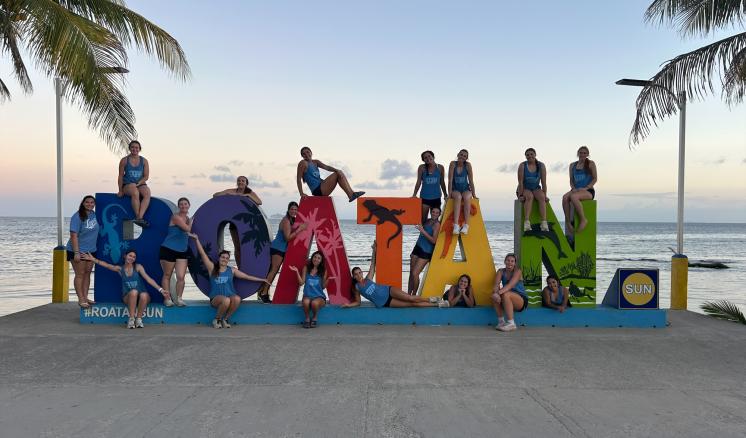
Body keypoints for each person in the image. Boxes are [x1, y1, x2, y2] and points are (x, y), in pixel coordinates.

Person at [190, 233, 269, 328]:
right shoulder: (212, 268)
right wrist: (196, 239)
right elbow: (202, 254)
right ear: (219, 258)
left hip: (229, 297)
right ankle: (217, 320)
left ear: (228, 260)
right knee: (226, 300)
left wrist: (262, 279)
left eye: (227, 258)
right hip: (216, 298)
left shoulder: (231, 270)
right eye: (223, 257)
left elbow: (246, 276)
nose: (224, 259)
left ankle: (225, 319)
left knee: (237, 298)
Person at [342, 243, 448, 308]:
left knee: (410, 298)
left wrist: (374, 251)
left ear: (362, 272)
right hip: (385, 302)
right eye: (356, 274)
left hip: (388, 290)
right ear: (354, 277)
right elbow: (358, 302)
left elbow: (373, 264)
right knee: (411, 304)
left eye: (360, 272)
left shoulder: (368, 279)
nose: (359, 275)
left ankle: (431, 299)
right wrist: (348, 305)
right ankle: (438, 305)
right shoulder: (356, 288)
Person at [83, 250, 163, 329]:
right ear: (125, 256)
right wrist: (93, 259)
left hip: (142, 298)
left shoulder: (138, 267)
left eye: (134, 257)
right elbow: (107, 265)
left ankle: (139, 319)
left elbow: (148, 279)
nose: (131, 258)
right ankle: (131, 320)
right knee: (134, 292)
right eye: (130, 255)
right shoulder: (120, 269)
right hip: (128, 297)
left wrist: (160, 290)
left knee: (144, 294)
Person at [256, 201, 307, 303]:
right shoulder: (286, 221)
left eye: (296, 209)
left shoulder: (292, 220)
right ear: (288, 210)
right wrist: (300, 229)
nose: (293, 211)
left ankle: (263, 291)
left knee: (273, 271)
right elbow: (287, 238)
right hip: (278, 248)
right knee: (273, 271)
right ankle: (264, 293)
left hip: (281, 249)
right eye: (292, 209)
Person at [213, 175, 263, 266]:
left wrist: (247, 195)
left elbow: (259, 202)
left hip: (247, 224)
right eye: (239, 180)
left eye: (243, 181)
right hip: (234, 223)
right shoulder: (232, 191)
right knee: (238, 247)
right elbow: (215, 195)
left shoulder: (250, 192)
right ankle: (240, 266)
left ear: (246, 183)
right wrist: (228, 194)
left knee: (246, 247)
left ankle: (248, 266)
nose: (240, 182)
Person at [65, 195, 99, 308]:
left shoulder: (94, 215)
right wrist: (76, 252)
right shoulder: (77, 216)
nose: (90, 204)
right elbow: (73, 235)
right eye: (87, 202)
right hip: (78, 250)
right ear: (83, 203)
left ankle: (85, 296)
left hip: (91, 251)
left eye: (92, 202)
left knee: (87, 274)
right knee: (80, 274)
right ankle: (81, 299)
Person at [296, 146, 365, 202]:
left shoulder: (315, 162)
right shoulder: (303, 163)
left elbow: (326, 167)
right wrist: (301, 193)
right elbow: (298, 179)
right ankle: (351, 194)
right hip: (317, 191)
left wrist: (336, 170)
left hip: (321, 187)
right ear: (302, 156)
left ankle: (352, 193)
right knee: (336, 174)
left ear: (311, 152)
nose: (306, 154)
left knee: (339, 172)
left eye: (308, 152)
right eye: (304, 154)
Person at [159, 197, 192, 307]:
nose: (183, 206)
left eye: (185, 204)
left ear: (189, 205)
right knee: (167, 275)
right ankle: (167, 299)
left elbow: (186, 233)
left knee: (181, 277)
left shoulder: (187, 219)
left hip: (182, 251)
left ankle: (179, 299)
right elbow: (187, 229)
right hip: (168, 249)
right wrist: (192, 222)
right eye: (181, 204)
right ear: (178, 206)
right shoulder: (176, 217)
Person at [562, 146, 597, 234]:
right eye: (581, 153)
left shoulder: (591, 163)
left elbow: (595, 179)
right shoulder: (572, 165)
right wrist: (573, 188)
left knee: (574, 197)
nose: (582, 154)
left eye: (585, 153)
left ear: (588, 154)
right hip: (575, 189)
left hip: (588, 191)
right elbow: (571, 180)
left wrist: (586, 187)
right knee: (565, 197)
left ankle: (583, 219)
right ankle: (568, 221)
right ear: (578, 153)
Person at [289, 251, 328, 328]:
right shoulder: (306, 268)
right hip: (307, 295)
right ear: (312, 258)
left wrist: (328, 280)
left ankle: (314, 317)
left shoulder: (323, 270)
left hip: (319, 297)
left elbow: (323, 287)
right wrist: (296, 271)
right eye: (315, 257)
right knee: (306, 302)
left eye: (319, 258)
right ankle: (307, 318)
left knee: (314, 303)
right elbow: (301, 283)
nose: (316, 259)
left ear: (321, 260)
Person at [408, 206, 441, 295]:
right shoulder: (428, 220)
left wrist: (423, 231)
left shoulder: (437, 224)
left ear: (439, 214)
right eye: (433, 212)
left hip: (426, 251)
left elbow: (434, 240)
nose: (434, 214)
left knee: (415, 274)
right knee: (411, 272)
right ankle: (408, 294)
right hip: (417, 247)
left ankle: (414, 295)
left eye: (436, 213)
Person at [117, 140, 151, 227]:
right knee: (135, 191)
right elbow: (120, 176)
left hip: (140, 183)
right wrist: (120, 190)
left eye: (136, 147)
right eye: (132, 147)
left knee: (147, 193)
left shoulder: (144, 161)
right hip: (128, 184)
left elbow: (146, 176)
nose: (134, 149)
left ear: (139, 149)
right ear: (129, 148)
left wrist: (139, 183)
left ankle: (140, 217)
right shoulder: (124, 160)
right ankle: (138, 218)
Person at [491, 253, 528, 332]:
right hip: (507, 298)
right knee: (494, 294)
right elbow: (496, 285)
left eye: (512, 261)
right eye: (508, 260)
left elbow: (510, 286)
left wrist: (498, 293)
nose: (510, 263)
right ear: (505, 261)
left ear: (515, 263)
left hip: (520, 300)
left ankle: (511, 323)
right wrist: (495, 293)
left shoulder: (518, 271)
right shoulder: (501, 271)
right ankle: (501, 322)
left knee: (505, 293)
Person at [517, 147, 549, 232]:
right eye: (527, 155)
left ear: (535, 155)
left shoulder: (541, 166)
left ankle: (544, 222)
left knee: (541, 197)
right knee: (530, 197)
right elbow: (520, 182)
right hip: (524, 188)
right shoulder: (522, 165)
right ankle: (527, 222)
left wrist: (545, 195)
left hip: (535, 188)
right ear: (525, 157)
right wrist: (520, 195)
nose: (529, 156)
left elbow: (543, 182)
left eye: (531, 154)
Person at [412, 150, 448, 224]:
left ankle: (433, 235)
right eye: (425, 158)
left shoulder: (440, 167)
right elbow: (418, 181)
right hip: (425, 197)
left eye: (429, 156)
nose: (428, 158)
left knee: (435, 219)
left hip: (436, 197)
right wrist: (414, 194)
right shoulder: (422, 168)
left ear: (433, 156)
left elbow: (442, 182)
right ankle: (423, 234)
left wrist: (445, 195)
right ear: (424, 160)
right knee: (423, 219)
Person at [447, 149, 476, 235]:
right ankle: (456, 225)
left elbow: (471, 180)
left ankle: (466, 225)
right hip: (455, 189)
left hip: (465, 189)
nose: (462, 157)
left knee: (467, 197)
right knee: (458, 197)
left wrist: (474, 194)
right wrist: (449, 194)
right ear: (458, 154)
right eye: (461, 154)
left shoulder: (468, 165)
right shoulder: (453, 164)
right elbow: (450, 180)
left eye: (464, 156)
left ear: (466, 158)